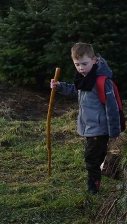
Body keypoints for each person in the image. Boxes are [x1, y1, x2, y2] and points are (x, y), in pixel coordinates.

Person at [50, 42, 121, 194]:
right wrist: (60, 86)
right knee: (96, 156)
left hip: (99, 129)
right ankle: (112, 167)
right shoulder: (84, 79)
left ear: (94, 60)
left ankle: (93, 187)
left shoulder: (101, 81)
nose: (81, 68)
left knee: (91, 158)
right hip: (89, 127)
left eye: (84, 64)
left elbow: (112, 108)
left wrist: (114, 132)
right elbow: (76, 91)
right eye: (77, 64)